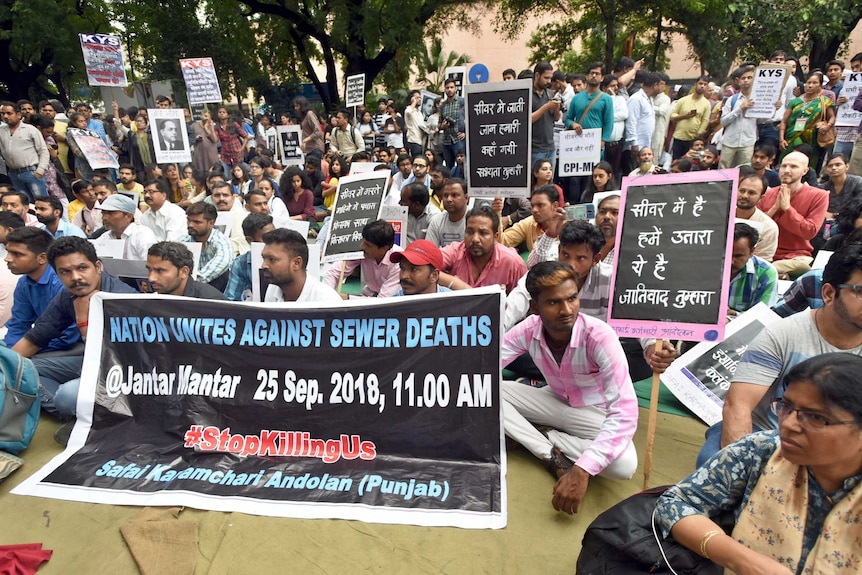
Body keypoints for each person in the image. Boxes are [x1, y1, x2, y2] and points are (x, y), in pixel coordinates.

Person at [658, 353, 862, 575]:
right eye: (786, 406)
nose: (789, 424)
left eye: (816, 418)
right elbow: (675, 503)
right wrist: (740, 559)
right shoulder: (762, 450)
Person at [697, 241, 862, 466]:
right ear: (829, 293)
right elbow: (739, 406)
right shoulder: (783, 334)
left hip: (838, 446)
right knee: (713, 465)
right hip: (768, 436)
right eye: (860, 292)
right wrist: (743, 470)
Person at [501, 261, 638, 513]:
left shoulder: (600, 336)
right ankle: (549, 454)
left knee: (624, 465)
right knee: (487, 388)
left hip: (594, 413)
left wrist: (583, 468)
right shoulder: (528, 330)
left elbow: (625, 411)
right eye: (553, 302)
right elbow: (486, 363)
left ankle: (537, 434)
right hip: (552, 400)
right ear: (535, 307)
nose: (566, 310)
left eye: (572, 298)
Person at [11, 237, 136, 418]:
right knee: (24, 368)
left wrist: (83, 321)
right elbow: (35, 338)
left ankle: (77, 412)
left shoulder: (123, 298)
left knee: (68, 396)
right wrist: (5, 366)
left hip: (124, 371)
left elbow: (116, 358)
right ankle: (81, 415)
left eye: (82, 268)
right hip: (90, 363)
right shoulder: (68, 296)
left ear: (98, 267)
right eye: (65, 272)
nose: (75, 277)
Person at [4, 226, 80, 352]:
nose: (8, 259)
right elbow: (19, 325)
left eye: (17, 254)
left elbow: (68, 335)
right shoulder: (24, 282)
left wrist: (23, 351)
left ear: (42, 258)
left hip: (74, 347)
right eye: (8, 252)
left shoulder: (63, 282)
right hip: (41, 343)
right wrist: (11, 353)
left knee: (25, 367)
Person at [758, 151, 829, 278]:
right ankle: (775, 272)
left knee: (802, 266)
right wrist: (775, 208)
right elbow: (756, 229)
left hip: (797, 257)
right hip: (765, 254)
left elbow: (810, 231)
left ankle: (772, 271)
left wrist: (787, 208)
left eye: (793, 166)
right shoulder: (767, 194)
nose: (786, 170)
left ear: (805, 171)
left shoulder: (819, 196)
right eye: (784, 166)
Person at [439, 205, 527, 294]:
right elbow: (426, 265)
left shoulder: (513, 263)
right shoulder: (456, 251)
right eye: (470, 232)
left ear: (495, 237)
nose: (475, 239)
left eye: (483, 233)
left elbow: (525, 299)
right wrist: (454, 283)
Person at [323, 220, 402, 299]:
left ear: (384, 249)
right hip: (368, 295)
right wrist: (327, 296)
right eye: (363, 241)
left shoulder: (398, 261)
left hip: (390, 303)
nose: (362, 246)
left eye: (368, 245)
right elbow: (333, 273)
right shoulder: (363, 251)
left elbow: (383, 301)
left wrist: (348, 298)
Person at [262, 228, 341, 303]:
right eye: (264, 259)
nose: (264, 265)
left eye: (272, 259)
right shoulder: (273, 288)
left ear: (296, 263)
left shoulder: (327, 301)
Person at [779, 71, 835, 171]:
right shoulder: (795, 101)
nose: (810, 85)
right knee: (790, 159)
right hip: (792, 136)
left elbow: (832, 117)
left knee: (808, 162)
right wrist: (781, 139)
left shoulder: (824, 101)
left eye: (814, 83)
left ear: (820, 85)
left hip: (812, 138)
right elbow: (784, 121)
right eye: (808, 83)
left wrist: (828, 125)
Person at [0, 101, 49, 202]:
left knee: (41, 202)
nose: (5, 116)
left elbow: (43, 151)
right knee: (23, 203)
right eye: (3, 113)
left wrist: (40, 171)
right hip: (13, 174)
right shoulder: (1, 130)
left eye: (9, 113)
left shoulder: (30, 130)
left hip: (31, 172)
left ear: (18, 115)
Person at [726, 222, 778, 318]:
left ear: (751, 252)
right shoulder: (702, 266)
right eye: (726, 254)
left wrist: (732, 316)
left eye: (738, 256)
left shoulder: (766, 273)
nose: (731, 261)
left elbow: (764, 315)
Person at [178, 202, 234, 290]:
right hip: (187, 286)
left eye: (197, 222)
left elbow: (223, 262)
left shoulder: (221, 241)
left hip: (215, 288)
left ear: (211, 223)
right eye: (189, 220)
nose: (190, 225)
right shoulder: (182, 241)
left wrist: (190, 283)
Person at [146, 242, 226, 299]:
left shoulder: (210, 302)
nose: (151, 278)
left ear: (184, 272)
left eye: (160, 271)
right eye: (149, 270)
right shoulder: (148, 303)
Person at [224, 213, 275, 302]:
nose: (274, 240)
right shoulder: (240, 263)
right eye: (267, 237)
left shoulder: (287, 257)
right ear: (250, 240)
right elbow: (232, 299)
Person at [93, 194, 156, 260]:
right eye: (103, 213)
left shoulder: (142, 235)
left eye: (110, 213)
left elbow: (152, 263)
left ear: (129, 217)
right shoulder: (105, 237)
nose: (104, 218)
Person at [718, 65, 758, 168]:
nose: (746, 80)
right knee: (724, 169)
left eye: (749, 78)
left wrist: (774, 108)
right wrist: (740, 108)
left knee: (744, 169)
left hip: (747, 142)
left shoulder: (758, 100)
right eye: (743, 78)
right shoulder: (732, 99)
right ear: (738, 81)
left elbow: (763, 120)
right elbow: (723, 121)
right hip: (729, 141)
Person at [501, 184, 560, 252]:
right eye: (532, 206)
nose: (534, 210)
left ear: (555, 206)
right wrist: (497, 212)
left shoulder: (566, 225)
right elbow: (503, 242)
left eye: (540, 205)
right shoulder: (529, 223)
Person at [735, 172, 779, 262]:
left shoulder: (769, 227)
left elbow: (762, 262)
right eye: (742, 191)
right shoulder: (719, 215)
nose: (744, 196)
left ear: (761, 198)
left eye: (751, 193)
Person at [669, 76, 712, 159]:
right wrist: (684, 116)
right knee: (677, 161)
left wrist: (698, 135)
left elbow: (705, 120)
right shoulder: (683, 100)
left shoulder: (706, 103)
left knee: (691, 163)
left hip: (693, 139)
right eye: (700, 83)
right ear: (695, 84)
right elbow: (672, 116)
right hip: (679, 137)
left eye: (705, 84)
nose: (702, 86)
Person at [531, 62, 562, 173]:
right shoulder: (528, 93)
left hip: (550, 147)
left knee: (549, 182)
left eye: (550, 78)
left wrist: (556, 107)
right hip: (535, 149)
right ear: (537, 75)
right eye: (546, 78)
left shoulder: (549, 93)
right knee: (536, 182)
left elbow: (556, 118)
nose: (549, 81)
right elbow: (527, 119)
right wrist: (546, 107)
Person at [425, 178, 469, 247]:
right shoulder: (437, 221)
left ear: (466, 198)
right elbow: (430, 253)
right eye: (445, 196)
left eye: (454, 195)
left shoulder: (474, 221)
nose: (449, 199)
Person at [210, 181, 250, 256]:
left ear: (233, 198)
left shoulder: (241, 217)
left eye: (225, 195)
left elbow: (236, 245)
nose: (221, 198)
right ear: (212, 198)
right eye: (217, 195)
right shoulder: (209, 215)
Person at [823, 153, 862, 219]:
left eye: (838, 165)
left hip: (852, 220)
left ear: (847, 166)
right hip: (828, 222)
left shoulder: (858, 182)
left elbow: (857, 206)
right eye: (830, 166)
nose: (834, 168)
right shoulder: (823, 188)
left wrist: (835, 216)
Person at [439, 78, 466, 169]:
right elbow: (439, 124)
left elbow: (470, 118)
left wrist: (466, 133)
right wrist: (442, 126)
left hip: (459, 140)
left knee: (462, 166)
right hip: (446, 141)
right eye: (447, 88)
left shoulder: (462, 102)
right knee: (448, 168)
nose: (449, 90)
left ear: (456, 89)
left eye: (451, 87)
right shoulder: (442, 106)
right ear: (445, 89)